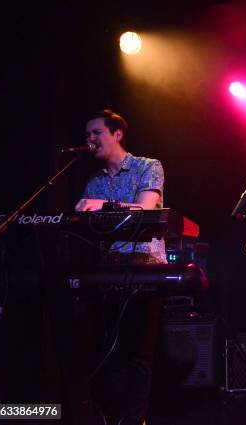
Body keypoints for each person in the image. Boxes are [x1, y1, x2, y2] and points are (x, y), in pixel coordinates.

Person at [75, 109, 166, 425]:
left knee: (140, 353)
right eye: (87, 135)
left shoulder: (147, 167)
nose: (89, 140)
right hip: (109, 271)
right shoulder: (93, 181)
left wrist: (102, 207)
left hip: (145, 267)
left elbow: (146, 209)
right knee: (110, 351)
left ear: (117, 134)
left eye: (96, 133)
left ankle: (136, 419)